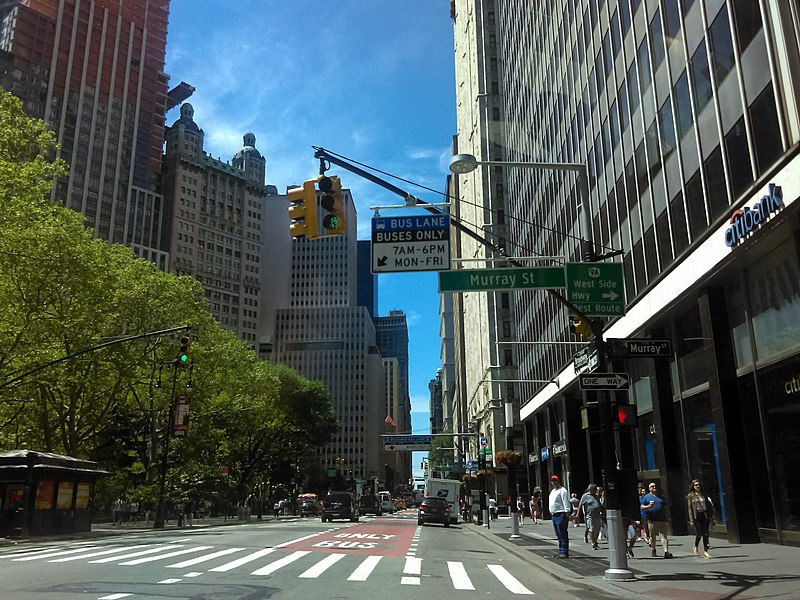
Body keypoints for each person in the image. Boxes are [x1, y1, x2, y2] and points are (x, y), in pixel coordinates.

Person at [642, 482, 673, 558]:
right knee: (652, 536)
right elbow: (642, 506)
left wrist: (668, 517)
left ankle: (666, 552)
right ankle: (653, 549)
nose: (654, 487)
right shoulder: (646, 497)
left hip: (662, 519)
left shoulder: (661, 497)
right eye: (652, 486)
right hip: (652, 520)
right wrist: (648, 506)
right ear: (649, 489)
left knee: (663, 536)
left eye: (655, 486)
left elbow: (666, 507)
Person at [687, 479, 715, 558]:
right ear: (693, 486)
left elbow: (709, 506)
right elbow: (690, 509)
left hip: (704, 514)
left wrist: (711, 517)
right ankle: (696, 547)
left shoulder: (704, 495)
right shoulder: (691, 496)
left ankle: (706, 551)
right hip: (697, 516)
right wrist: (691, 520)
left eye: (699, 485)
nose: (698, 486)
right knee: (699, 533)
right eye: (696, 485)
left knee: (706, 533)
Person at [548, 474, 572, 559]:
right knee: (558, 534)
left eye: (555, 480)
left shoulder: (563, 490)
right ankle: (561, 550)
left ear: (558, 480)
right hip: (554, 514)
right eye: (552, 481)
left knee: (562, 533)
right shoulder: (553, 491)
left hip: (561, 513)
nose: (554, 482)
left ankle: (564, 552)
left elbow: (566, 501)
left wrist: (567, 511)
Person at [577, 483, 604, 550]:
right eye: (595, 490)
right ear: (591, 489)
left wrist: (602, 512)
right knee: (591, 529)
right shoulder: (585, 496)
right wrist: (578, 515)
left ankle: (595, 541)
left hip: (597, 515)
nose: (596, 491)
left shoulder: (596, 496)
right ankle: (593, 543)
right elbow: (580, 505)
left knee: (597, 529)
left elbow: (599, 504)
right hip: (590, 516)